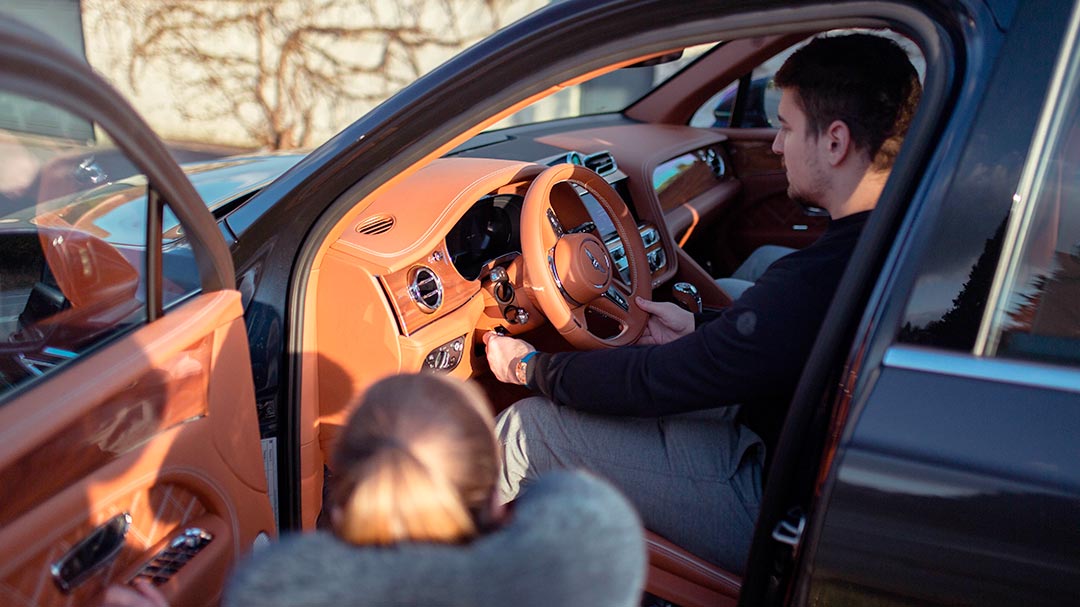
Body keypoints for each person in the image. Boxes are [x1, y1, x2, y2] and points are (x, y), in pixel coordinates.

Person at [484, 33, 922, 574]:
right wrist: (703, 332)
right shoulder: (898, 237)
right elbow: (778, 343)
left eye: (784, 127)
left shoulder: (818, 276)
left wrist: (533, 367)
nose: (778, 146)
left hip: (782, 509)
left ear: (835, 142)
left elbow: (658, 381)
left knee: (530, 429)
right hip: (813, 452)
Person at [224, 373, 646, 607]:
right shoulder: (597, 552)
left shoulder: (271, 590)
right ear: (494, 489)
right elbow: (567, 494)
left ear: (339, 511)